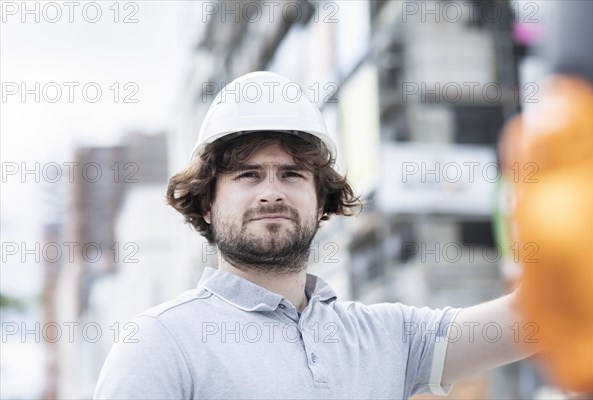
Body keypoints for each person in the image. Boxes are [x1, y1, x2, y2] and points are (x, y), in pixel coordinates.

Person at [94, 71, 533, 399]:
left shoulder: (388, 337)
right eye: (248, 176)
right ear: (207, 204)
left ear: (321, 202)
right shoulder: (157, 343)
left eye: (291, 175)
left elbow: (536, 319)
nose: (271, 193)